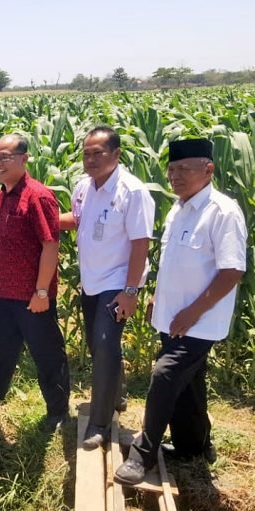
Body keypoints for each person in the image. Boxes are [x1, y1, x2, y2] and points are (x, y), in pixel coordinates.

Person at [115, 139, 246, 485]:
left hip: (199, 323)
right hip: (172, 317)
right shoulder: (177, 208)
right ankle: (195, 447)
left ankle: (142, 455)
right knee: (189, 386)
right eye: (171, 169)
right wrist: (159, 298)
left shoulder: (222, 211)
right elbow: (174, 262)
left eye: (184, 169)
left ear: (208, 169)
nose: (175, 176)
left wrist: (191, 313)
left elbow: (232, 271)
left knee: (164, 375)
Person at [60, 126, 155, 449]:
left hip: (116, 285)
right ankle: (117, 395)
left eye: (98, 153)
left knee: (103, 345)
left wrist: (130, 291)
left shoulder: (132, 191)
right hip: (91, 281)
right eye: (86, 153)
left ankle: (99, 423)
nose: (90, 159)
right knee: (99, 343)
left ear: (116, 154)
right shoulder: (84, 187)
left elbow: (141, 242)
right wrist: (36, 218)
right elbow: (77, 219)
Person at [0, 134, 71, 430]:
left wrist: (42, 291)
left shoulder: (37, 195)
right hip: (4, 292)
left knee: (47, 355)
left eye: (5, 157)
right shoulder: (1, 195)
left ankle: (57, 411)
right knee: (2, 348)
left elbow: (50, 245)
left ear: (24, 159)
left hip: (32, 296)